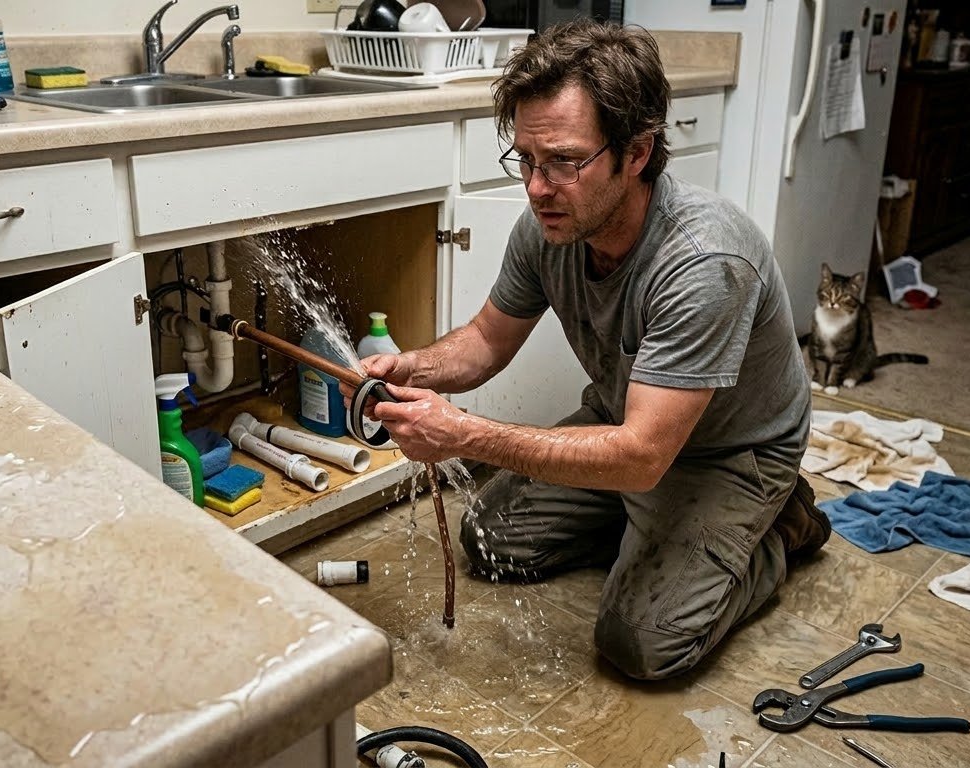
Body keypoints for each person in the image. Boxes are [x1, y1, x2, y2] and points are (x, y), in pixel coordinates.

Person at [352, 20, 831, 680]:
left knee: (641, 644)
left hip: (727, 455)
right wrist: (413, 366)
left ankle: (779, 529)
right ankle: (654, 533)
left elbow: (640, 457)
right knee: (490, 542)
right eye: (526, 159)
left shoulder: (704, 261)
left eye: (565, 162)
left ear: (636, 152)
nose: (537, 187)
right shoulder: (549, 226)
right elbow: (488, 339)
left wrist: (461, 434)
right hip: (626, 431)